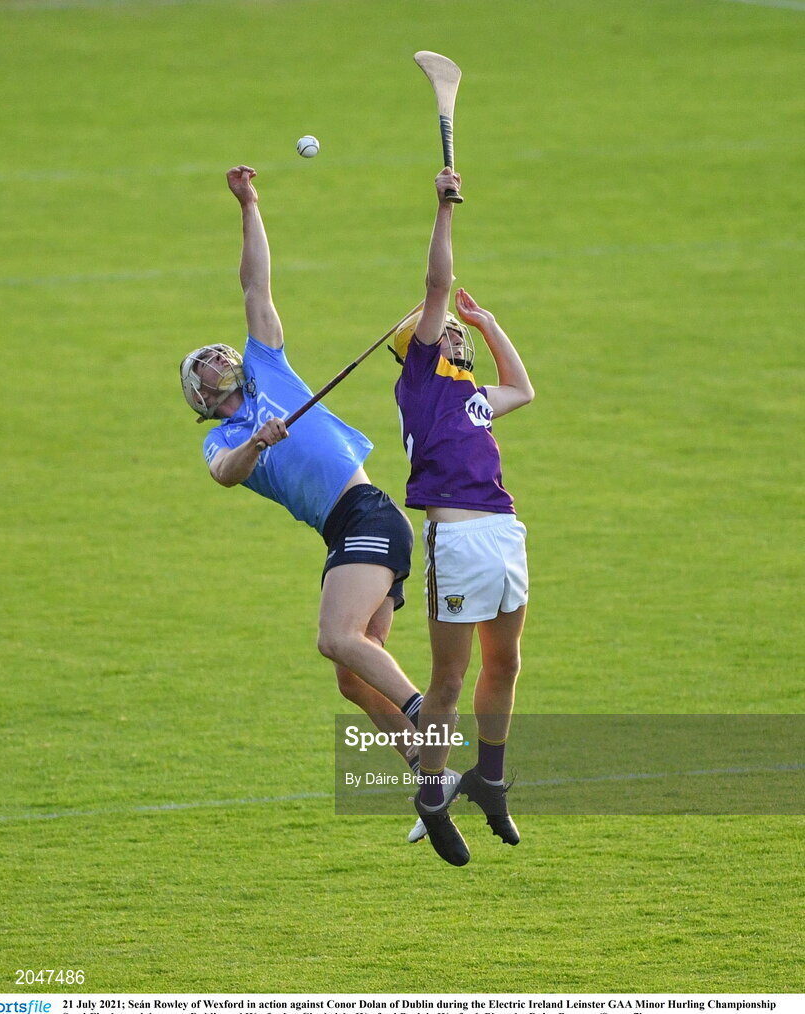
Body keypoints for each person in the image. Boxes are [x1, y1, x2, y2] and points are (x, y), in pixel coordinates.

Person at [179, 164, 428, 789]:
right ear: (201, 401)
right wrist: (258, 443)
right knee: (352, 674)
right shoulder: (224, 438)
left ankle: (428, 717)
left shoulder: (267, 367)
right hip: (345, 530)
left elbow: (255, 286)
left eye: (218, 356)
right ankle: (429, 769)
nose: (217, 363)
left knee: (334, 638)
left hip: (368, 511)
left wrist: (249, 204)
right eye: (203, 371)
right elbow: (225, 475)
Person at [392, 167, 535, 866]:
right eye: (445, 330)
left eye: (454, 332)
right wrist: (444, 210)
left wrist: (490, 322)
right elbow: (436, 286)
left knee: (504, 664)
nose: (452, 333)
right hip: (456, 536)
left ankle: (489, 777)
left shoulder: (474, 395)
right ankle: (430, 791)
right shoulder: (419, 382)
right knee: (448, 680)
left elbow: (524, 389)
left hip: (504, 533)